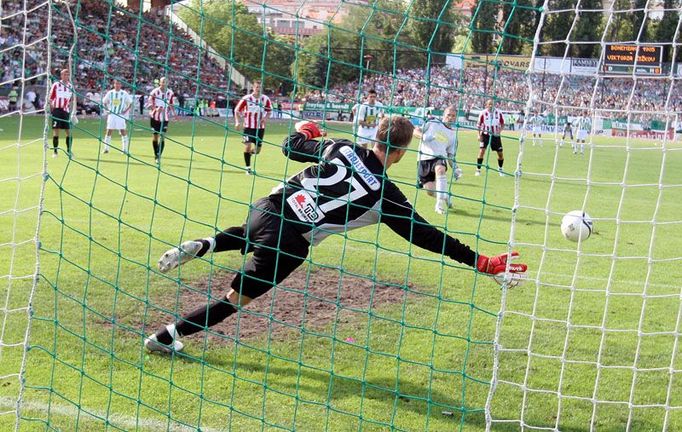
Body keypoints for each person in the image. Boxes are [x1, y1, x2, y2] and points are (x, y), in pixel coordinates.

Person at [144, 116, 527, 353]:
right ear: (401, 153)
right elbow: (426, 236)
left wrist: (304, 130)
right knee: (232, 301)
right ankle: (164, 337)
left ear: (375, 136)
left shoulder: (340, 146)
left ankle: (206, 244)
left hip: (267, 209)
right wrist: (479, 261)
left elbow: (291, 146)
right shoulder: (385, 194)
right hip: (290, 243)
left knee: (250, 232)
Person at [415, 105, 461, 214]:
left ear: (456, 118)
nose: (450, 118)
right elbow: (415, 131)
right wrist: (423, 136)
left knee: (440, 169)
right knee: (430, 191)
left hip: (439, 158)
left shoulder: (453, 135)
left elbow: (450, 155)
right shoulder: (433, 122)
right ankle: (445, 196)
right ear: (444, 115)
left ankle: (439, 205)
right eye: (448, 115)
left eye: (453, 116)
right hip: (424, 159)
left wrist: (455, 168)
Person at [234, 80, 272, 175]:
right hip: (248, 127)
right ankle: (248, 168)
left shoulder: (265, 99)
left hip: (260, 128)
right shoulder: (246, 98)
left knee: (257, 151)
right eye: (257, 87)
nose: (258, 89)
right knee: (248, 146)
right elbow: (237, 110)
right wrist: (237, 122)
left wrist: (265, 118)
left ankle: (249, 154)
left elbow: (269, 111)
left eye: (260, 87)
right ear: (253, 88)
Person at [146, 77, 175, 164]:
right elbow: (149, 104)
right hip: (154, 117)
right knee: (155, 137)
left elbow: (171, 104)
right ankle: (156, 154)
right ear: (160, 83)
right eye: (162, 82)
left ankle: (158, 156)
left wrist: (173, 113)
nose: (164, 84)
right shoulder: (154, 92)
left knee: (162, 137)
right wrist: (155, 109)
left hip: (165, 118)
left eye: (166, 82)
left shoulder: (170, 93)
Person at [48, 68, 75, 158]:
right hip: (57, 111)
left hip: (66, 111)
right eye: (64, 74)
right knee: (56, 131)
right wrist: (52, 109)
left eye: (67, 75)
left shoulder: (70, 87)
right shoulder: (56, 85)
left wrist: (73, 112)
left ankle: (69, 150)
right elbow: (51, 98)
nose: (66, 76)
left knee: (69, 132)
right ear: (61, 75)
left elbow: (71, 100)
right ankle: (55, 152)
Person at [101, 79, 133, 154]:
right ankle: (106, 149)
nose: (117, 85)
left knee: (123, 131)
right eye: (116, 84)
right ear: (114, 84)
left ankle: (125, 150)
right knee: (109, 131)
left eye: (119, 84)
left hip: (120, 115)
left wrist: (125, 111)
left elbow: (130, 103)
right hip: (112, 115)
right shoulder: (110, 93)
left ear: (121, 85)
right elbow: (104, 102)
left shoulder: (124, 93)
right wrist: (107, 110)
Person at [476, 99, 505, 177]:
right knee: (481, 151)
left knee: (500, 154)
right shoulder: (483, 113)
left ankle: (500, 168)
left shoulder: (499, 113)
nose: (491, 106)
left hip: (495, 135)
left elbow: (502, 124)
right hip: (485, 135)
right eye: (489, 104)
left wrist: (500, 131)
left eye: (492, 104)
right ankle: (478, 170)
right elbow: (478, 125)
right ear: (486, 105)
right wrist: (478, 135)